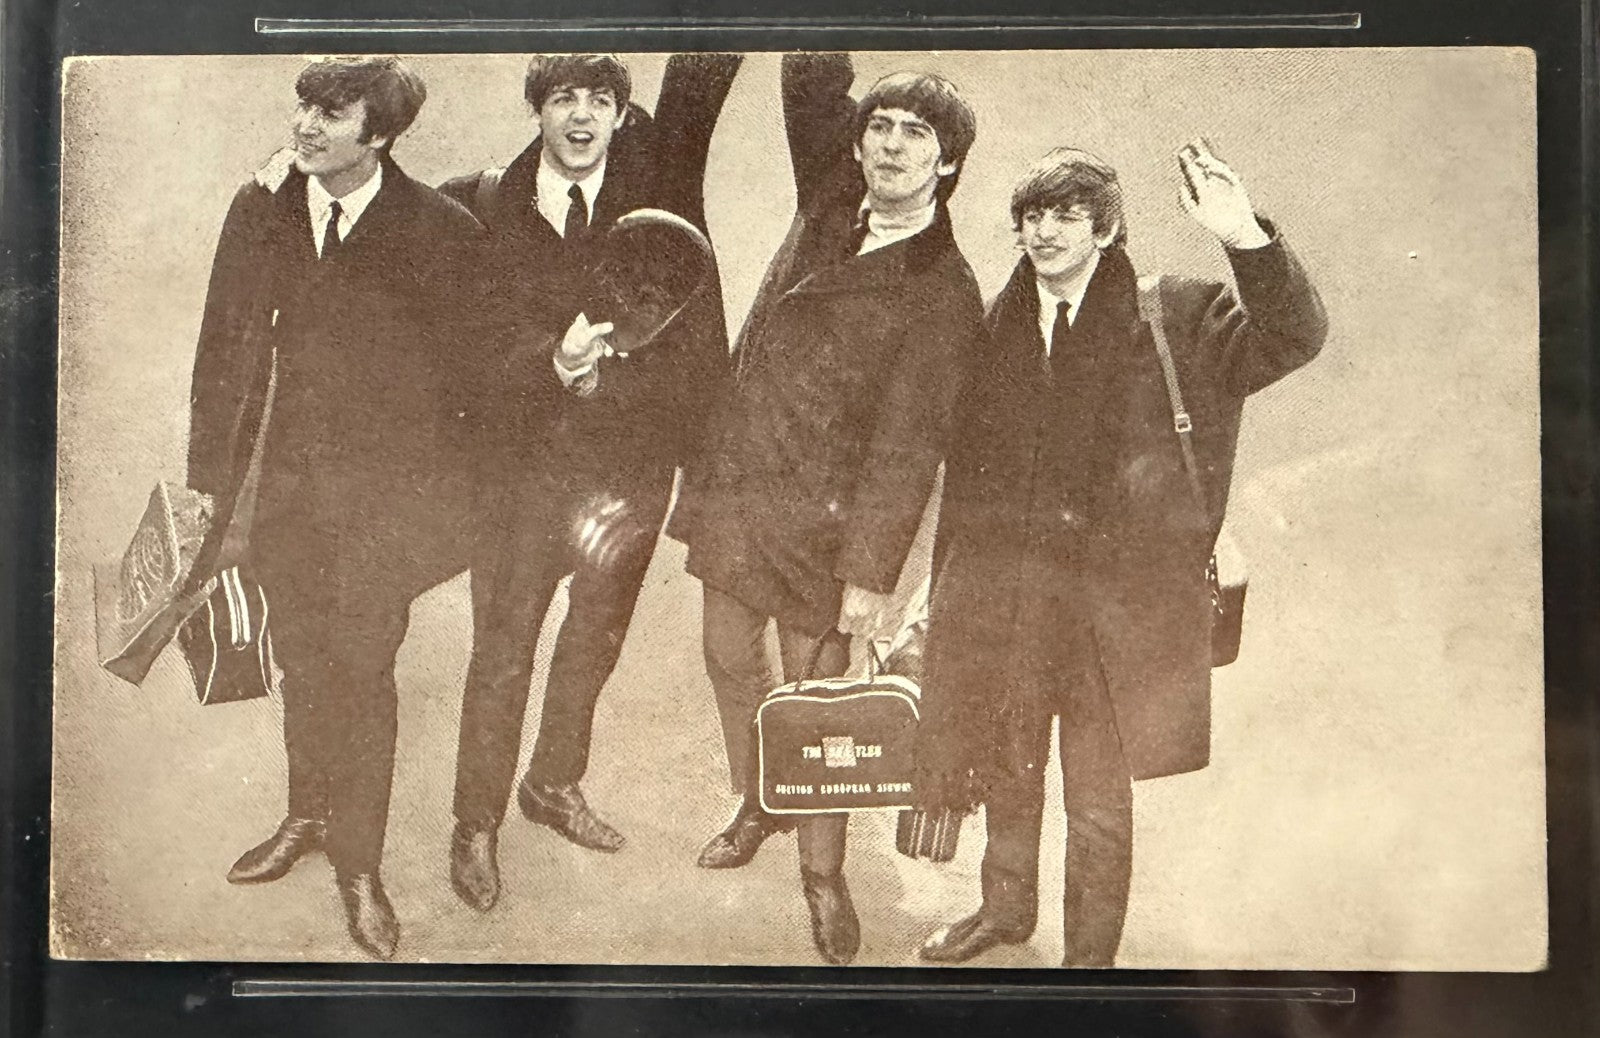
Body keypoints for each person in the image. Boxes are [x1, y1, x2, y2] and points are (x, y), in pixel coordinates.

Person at [914, 142, 1328, 967]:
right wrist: (946, 583)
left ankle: (1088, 962)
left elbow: (1294, 336)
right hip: (1012, 597)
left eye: (1067, 215)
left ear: (1105, 228)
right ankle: (1005, 910)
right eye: (1033, 215)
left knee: (1098, 798)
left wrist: (1243, 236)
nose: (1045, 232)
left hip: (1116, 614)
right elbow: (967, 477)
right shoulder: (996, 323)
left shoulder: (1174, 316)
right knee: (1007, 766)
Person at [669, 52, 984, 965]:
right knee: (728, 656)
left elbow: (906, 452)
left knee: (821, 709)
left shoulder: (945, 289)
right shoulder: (830, 200)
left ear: (948, 163)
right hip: (743, 487)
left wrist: (868, 577)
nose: (891, 145)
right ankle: (759, 799)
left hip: (827, 531)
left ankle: (823, 876)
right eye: (879, 126)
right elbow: (809, 81)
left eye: (916, 135)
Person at [187, 56, 484, 959]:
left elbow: (471, 390)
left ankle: (361, 868)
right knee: (303, 663)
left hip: (382, 513)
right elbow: (220, 346)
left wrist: (429, 511)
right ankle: (305, 817)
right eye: (304, 105)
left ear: (380, 133)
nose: (307, 125)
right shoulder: (262, 208)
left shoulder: (440, 232)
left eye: (334, 112)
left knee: (362, 677)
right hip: (279, 496)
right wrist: (208, 488)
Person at [438, 53, 739, 912]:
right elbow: (466, 349)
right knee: (503, 653)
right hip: (519, 482)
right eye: (563, 98)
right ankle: (476, 823)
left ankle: (552, 783)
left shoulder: (659, 207)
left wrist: (654, 431)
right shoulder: (482, 203)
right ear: (537, 109)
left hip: (624, 483)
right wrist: (555, 362)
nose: (581, 116)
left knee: (591, 642)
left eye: (599, 100)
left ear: (620, 114)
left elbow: (693, 352)